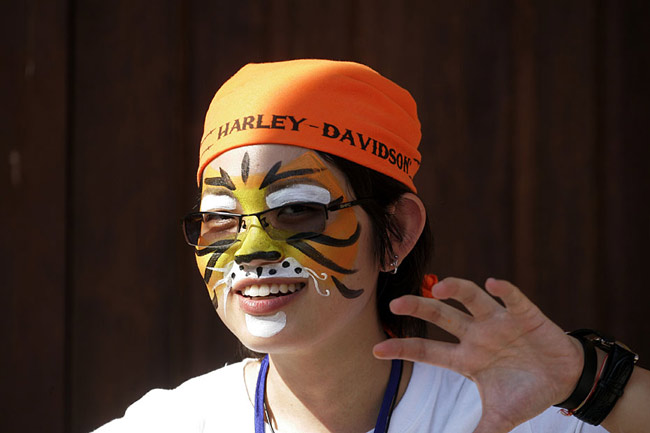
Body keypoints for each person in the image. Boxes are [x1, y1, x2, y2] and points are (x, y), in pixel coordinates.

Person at [94, 59, 650, 433]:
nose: (251, 251)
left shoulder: (514, 412)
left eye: (296, 210)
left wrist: (587, 380)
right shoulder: (169, 423)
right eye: (220, 219)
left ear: (397, 232)